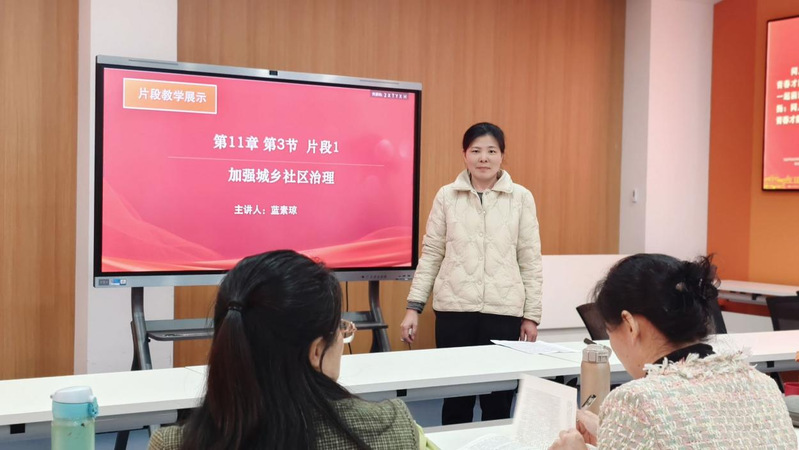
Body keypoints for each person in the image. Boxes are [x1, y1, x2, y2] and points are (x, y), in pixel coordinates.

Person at [148, 250, 425, 450]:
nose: (342, 339)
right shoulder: (394, 430)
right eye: (340, 329)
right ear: (316, 351)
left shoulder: (171, 445)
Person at [550, 254, 795, 449]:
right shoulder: (764, 385)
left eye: (609, 331)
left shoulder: (636, 400)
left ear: (630, 325)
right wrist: (614, 431)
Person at [400, 122, 543, 424]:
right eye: (476, 151)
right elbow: (431, 254)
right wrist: (414, 307)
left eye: (491, 151)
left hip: (504, 312)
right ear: (464, 154)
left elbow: (530, 260)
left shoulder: (521, 198)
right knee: (456, 399)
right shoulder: (446, 196)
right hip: (454, 312)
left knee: (498, 400)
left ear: (502, 155)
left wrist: (531, 316)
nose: (483, 158)